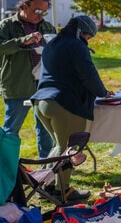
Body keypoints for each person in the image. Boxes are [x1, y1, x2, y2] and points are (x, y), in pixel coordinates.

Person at [31, 15, 113, 201]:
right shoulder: (77, 46)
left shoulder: (52, 45)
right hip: (64, 103)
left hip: (41, 102)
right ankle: (63, 190)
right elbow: (88, 74)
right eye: (88, 37)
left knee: (59, 146)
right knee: (70, 148)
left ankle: (44, 185)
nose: (88, 40)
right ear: (81, 33)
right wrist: (103, 92)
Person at [0, 0, 56, 159]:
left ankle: (46, 166)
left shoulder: (47, 27)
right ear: (24, 6)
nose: (41, 16)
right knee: (11, 130)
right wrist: (22, 41)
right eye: (37, 11)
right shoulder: (7, 25)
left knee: (46, 128)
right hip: (17, 84)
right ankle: (7, 167)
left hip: (44, 85)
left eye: (44, 12)